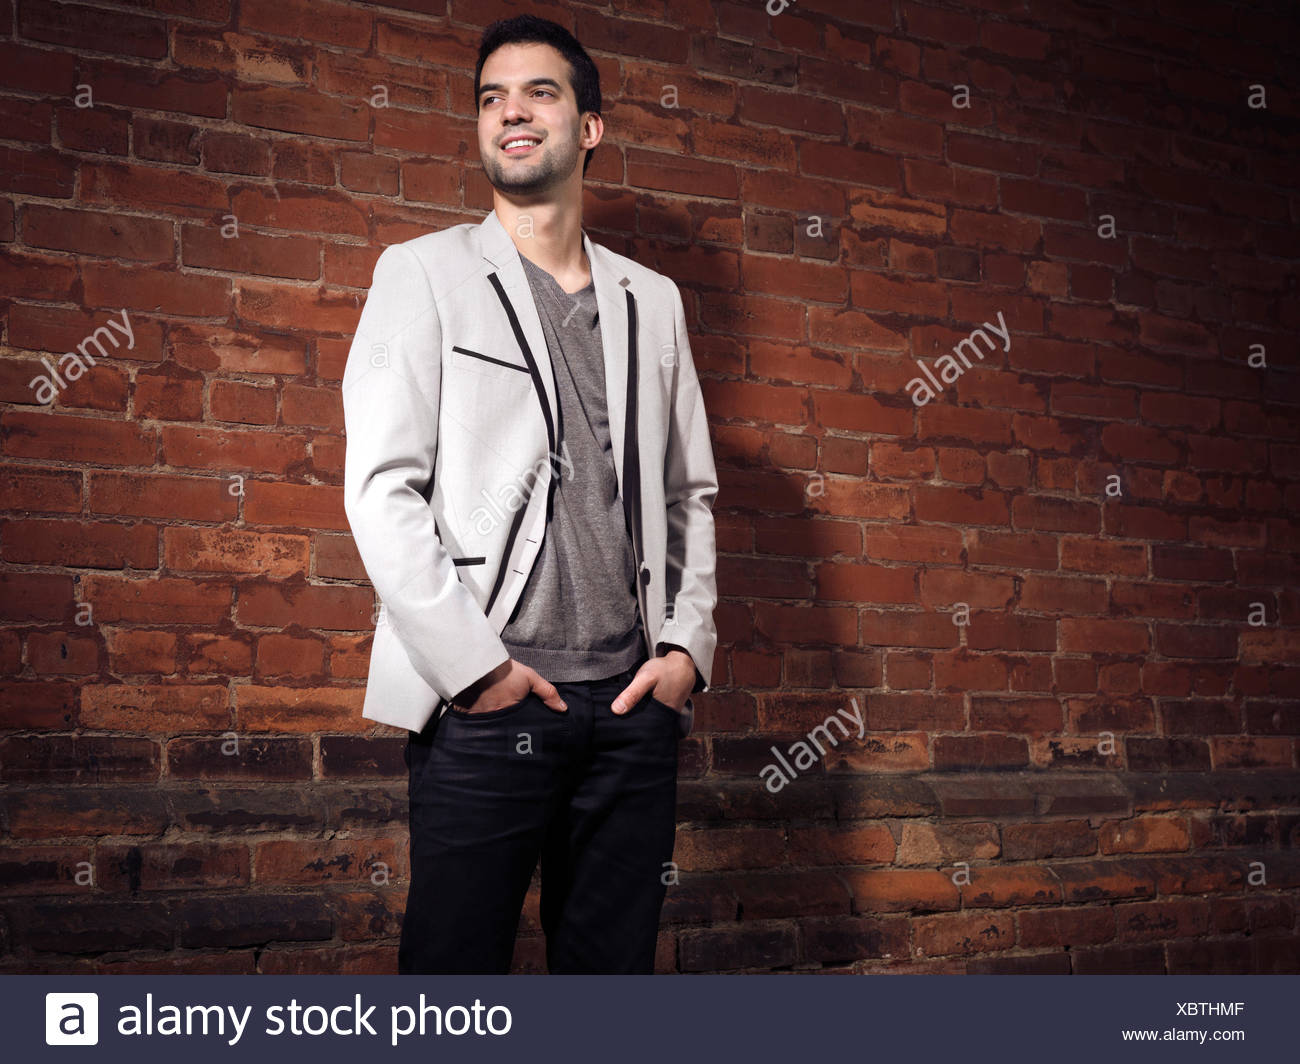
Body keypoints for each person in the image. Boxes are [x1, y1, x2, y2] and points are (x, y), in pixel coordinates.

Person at [341, 14, 719, 974]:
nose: (510, 112)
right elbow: (382, 489)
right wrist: (476, 673)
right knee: (452, 980)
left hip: (633, 710)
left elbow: (689, 495)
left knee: (611, 980)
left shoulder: (654, 300)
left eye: (539, 92)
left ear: (589, 126)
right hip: (493, 704)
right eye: (490, 97)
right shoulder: (421, 274)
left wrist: (684, 651)